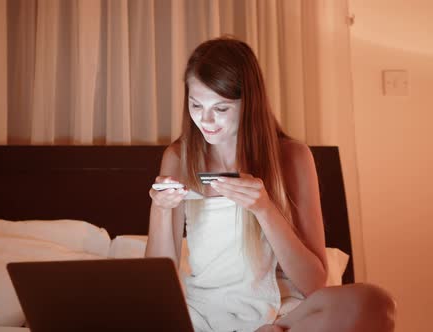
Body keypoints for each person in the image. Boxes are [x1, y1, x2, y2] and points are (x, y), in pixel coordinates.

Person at [145, 37, 396, 332]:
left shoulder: (293, 157)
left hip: (281, 315)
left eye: (221, 109)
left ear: (249, 103)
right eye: (196, 105)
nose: (206, 119)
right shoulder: (178, 157)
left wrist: (265, 209)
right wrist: (161, 209)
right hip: (204, 316)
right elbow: (155, 282)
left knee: (376, 302)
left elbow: (314, 283)